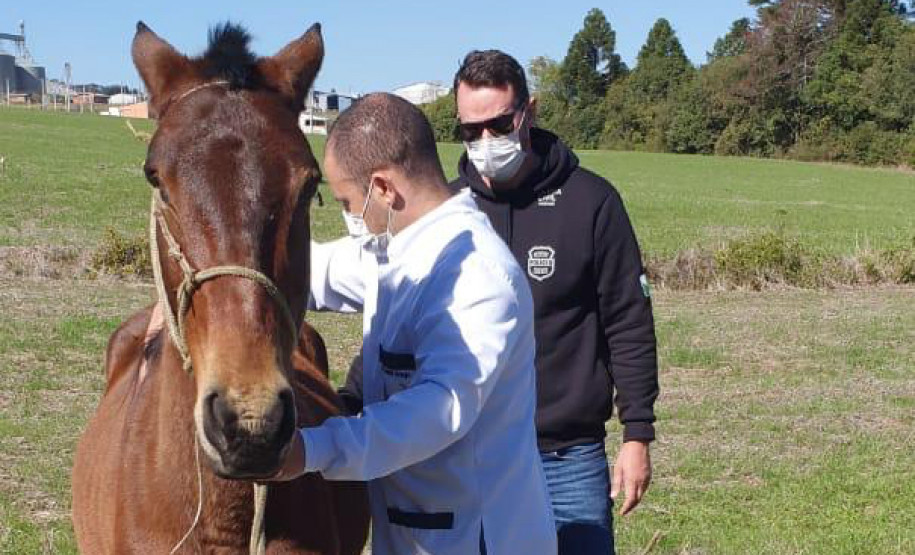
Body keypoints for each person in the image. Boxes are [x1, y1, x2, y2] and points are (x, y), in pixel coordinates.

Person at [271, 93, 557, 555]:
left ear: (383, 188)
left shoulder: (478, 276)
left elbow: (439, 410)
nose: (349, 216)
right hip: (413, 532)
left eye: (347, 200)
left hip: (476, 538)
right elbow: (309, 271)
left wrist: (313, 450)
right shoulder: (397, 249)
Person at [450, 50, 660, 554]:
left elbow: (628, 321)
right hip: (471, 456)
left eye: (498, 125)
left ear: (530, 112)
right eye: (469, 130)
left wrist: (637, 434)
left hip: (568, 457)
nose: (485, 141)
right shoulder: (448, 210)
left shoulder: (592, 202)